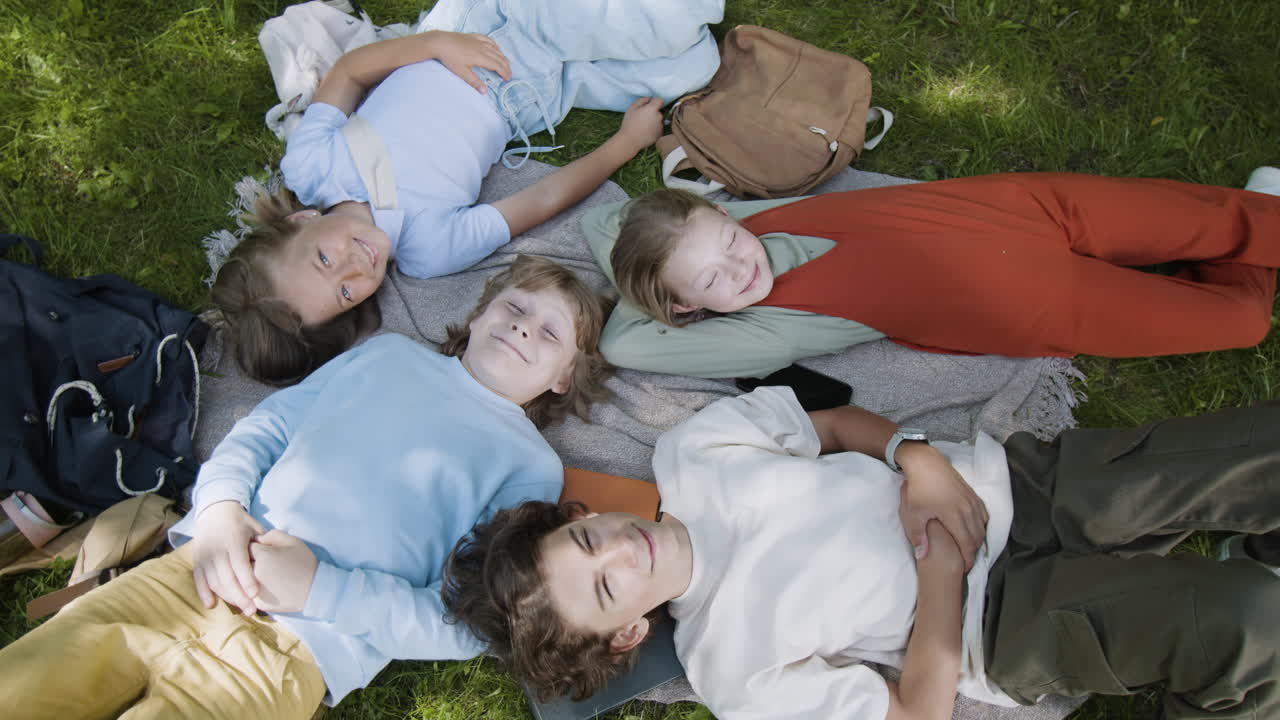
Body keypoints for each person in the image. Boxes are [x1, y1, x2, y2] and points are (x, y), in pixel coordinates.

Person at [0, 256, 613, 718]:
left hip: (301, 644)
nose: (524, 328)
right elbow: (266, 427)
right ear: (479, 313)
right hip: (197, 570)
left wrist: (321, 590)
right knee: (31, 681)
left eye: (552, 335)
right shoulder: (389, 355)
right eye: (515, 307)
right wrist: (216, 510)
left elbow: (466, 621)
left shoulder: (530, 466)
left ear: (565, 379)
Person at [443, 386, 1280, 719]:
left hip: (1011, 487)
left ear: (585, 515)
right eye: (602, 588)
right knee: (1250, 619)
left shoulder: (692, 454)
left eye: (587, 537)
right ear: (627, 636)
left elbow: (834, 425)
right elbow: (916, 713)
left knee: (1250, 449)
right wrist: (942, 576)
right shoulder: (729, 669)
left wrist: (914, 459)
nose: (619, 552)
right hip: (1004, 621)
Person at [213, 0, 724, 384]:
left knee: (673, 19)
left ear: (300, 223)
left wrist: (433, 46)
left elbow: (349, 72)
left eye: (324, 257)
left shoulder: (311, 166)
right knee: (695, 64)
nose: (354, 266)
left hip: (478, 34)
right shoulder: (428, 248)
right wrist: (623, 145)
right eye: (345, 292)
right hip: (530, 98)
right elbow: (540, 200)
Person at [582, 167, 1280, 378]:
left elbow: (600, 222)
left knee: (1223, 218)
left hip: (1023, 207)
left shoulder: (755, 221)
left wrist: (682, 246)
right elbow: (621, 344)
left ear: (724, 210)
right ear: (682, 311)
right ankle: (1235, 249)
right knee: (1243, 322)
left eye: (730, 239)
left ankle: (1242, 228)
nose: (740, 267)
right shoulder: (767, 327)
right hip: (1047, 304)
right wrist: (654, 287)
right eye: (709, 282)